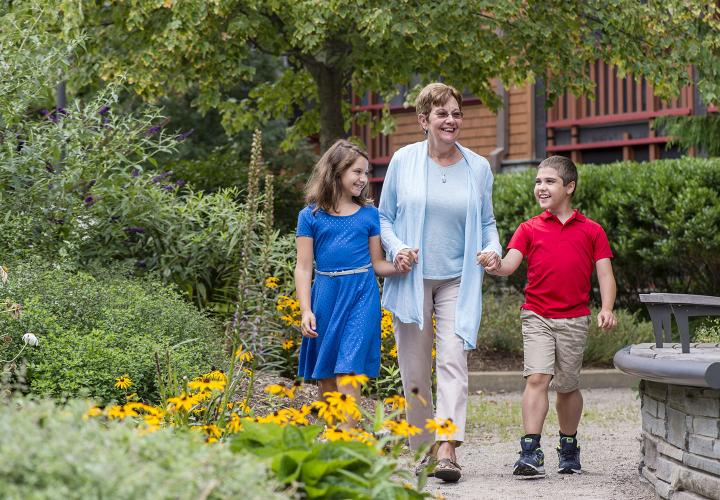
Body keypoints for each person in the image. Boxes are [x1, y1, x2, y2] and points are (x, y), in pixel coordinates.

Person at [378, 82, 502, 482]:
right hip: (411, 277)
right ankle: (423, 449)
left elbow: (487, 222)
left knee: (452, 360)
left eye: (456, 114)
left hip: (457, 279)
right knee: (414, 371)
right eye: (442, 114)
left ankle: (447, 447)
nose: (451, 121)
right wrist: (396, 248)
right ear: (423, 120)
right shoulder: (403, 160)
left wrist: (493, 249)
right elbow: (384, 218)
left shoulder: (478, 167)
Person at [480, 155, 617, 478]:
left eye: (549, 181)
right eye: (538, 181)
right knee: (537, 377)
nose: (541, 187)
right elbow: (510, 264)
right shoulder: (529, 229)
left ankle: (568, 447)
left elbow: (605, 275)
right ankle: (530, 450)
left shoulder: (592, 231)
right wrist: (493, 263)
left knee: (568, 386)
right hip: (537, 314)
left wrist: (607, 308)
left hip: (575, 318)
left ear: (569, 187)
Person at [295, 139, 403, 429]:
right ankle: (335, 440)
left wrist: (400, 266)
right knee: (328, 376)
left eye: (366, 173)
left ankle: (350, 442)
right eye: (357, 172)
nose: (363, 179)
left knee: (348, 370)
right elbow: (304, 267)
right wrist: (305, 309)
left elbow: (378, 263)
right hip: (325, 297)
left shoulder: (369, 214)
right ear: (336, 171)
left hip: (361, 295)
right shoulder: (310, 216)